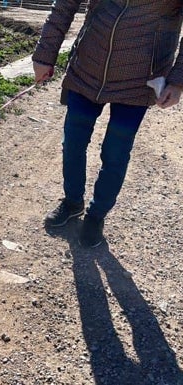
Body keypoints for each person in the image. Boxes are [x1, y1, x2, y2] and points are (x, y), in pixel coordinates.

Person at [32, 0, 183, 247]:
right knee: (73, 141)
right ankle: (72, 202)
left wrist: (177, 82)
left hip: (139, 79)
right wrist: (45, 55)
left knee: (116, 152)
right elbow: (64, 6)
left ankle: (96, 215)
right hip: (87, 68)